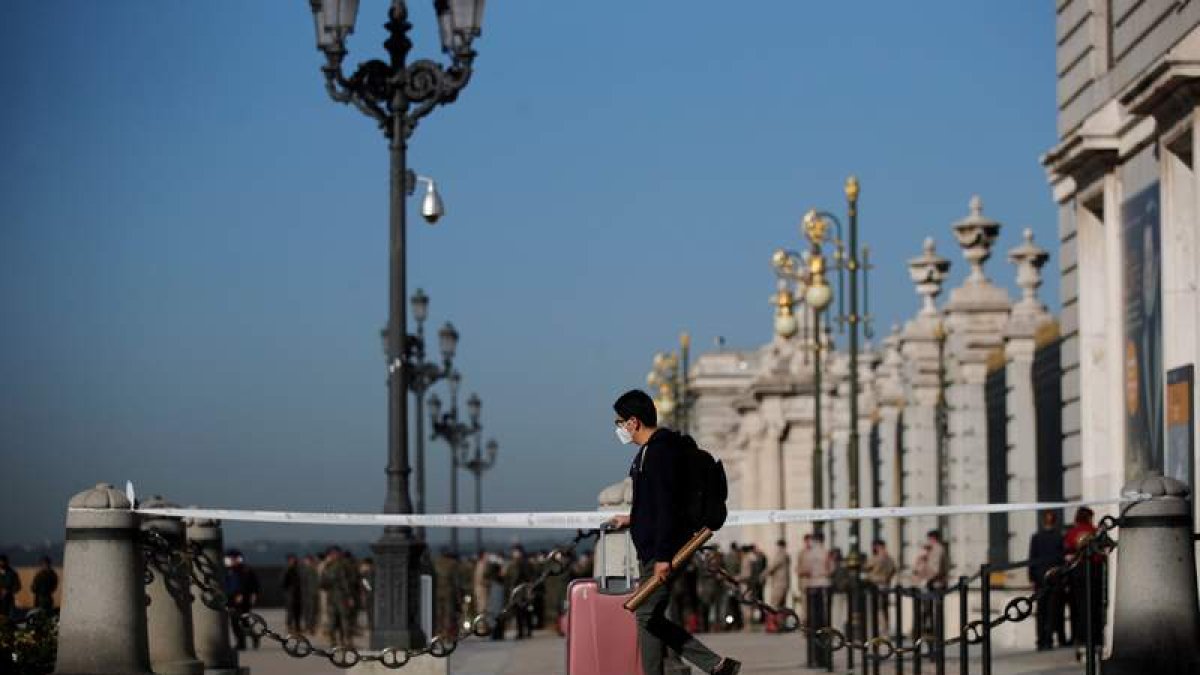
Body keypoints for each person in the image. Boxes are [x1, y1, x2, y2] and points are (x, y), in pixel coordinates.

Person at [607, 389, 741, 675]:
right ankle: (706, 665)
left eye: (619, 422)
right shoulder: (650, 452)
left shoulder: (659, 452)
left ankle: (713, 664)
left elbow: (667, 505)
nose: (618, 429)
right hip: (654, 548)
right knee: (649, 615)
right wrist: (631, 519)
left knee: (645, 614)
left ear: (633, 422)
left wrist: (663, 556)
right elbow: (655, 504)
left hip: (662, 550)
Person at [1065, 507, 1105, 660]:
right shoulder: (1095, 531)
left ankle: (1081, 640)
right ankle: (1096, 640)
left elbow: (1068, 555)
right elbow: (1102, 553)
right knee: (1095, 607)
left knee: (1080, 609)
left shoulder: (1072, 533)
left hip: (1078, 574)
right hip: (1094, 572)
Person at [1029, 511, 1067, 651]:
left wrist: (1032, 577)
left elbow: (1032, 558)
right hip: (1055, 577)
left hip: (1040, 578)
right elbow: (1061, 559)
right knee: (1052, 610)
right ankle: (1049, 639)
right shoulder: (1059, 537)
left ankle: (1040, 640)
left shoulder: (1036, 538)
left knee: (1041, 611)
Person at [799, 533, 831, 668]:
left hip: (812, 587)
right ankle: (826, 659)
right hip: (825, 586)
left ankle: (814, 659)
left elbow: (803, 570)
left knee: (813, 625)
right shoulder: (826, 552)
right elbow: (831, 569)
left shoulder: (808, 554)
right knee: (825, 624)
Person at [320, 546, 358, 648]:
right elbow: (323, 583)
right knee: (336, 620)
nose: (332, 556)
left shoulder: (339, 565)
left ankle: (343, 640)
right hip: (336, 596)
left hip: (340, 596)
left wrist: (349, 596)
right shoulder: (332, 566)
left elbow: (345, 582)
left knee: (343, 620)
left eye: (334, 554)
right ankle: (339, 641)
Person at [225, 550, 261, 650]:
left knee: (243, 621)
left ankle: (252, 637)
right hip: (230, 599)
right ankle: (241, 643)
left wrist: (251, 595)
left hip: (243, 600)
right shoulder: (227, 570)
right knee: (234, 623)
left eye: (234, 558)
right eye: (231, 559)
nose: (233, 561)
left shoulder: (246, 570)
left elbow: (253, 585)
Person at [864, 540, 896, 632]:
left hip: (876, 584)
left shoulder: (877, 558)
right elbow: (893, 570)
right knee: (884, 608)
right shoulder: (889, 558)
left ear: (877, 546)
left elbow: (867, 566)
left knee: (878, 608)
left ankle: (880, 628)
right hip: (886, 584)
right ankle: (886, 628)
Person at [504, 545, 534, 639]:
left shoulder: (525, 564)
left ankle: (528, 631)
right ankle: (520, 632)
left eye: (517, 552)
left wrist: (529, 590)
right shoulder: (511, 565)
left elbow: (529, 578)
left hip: (523, 591)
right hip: (515, 592)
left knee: (526, 612)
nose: (515, 554)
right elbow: (508, 579)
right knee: (518, 613)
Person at [282, 554, 303, 634]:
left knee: (298, 611)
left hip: (299, 593)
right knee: (291, 611)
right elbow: (283, 582)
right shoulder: (287, 570)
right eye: (292, 560)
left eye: (294, 559)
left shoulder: (298, 569)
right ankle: (289, 626)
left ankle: (297, 627)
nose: (294, 561)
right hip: (290, 594)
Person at [300, 554, 320, 634]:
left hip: (312, 594)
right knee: (308, 612)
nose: (307, 562)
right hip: (307, 594)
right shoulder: (304, 570)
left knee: (312, 611)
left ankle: (310, 627)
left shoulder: (313, 569)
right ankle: (308, 627)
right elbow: (303, 583)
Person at [0, 554, 22, 620]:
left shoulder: (12, 573)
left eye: (3, 561)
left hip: (8, 600)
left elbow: (18, 586)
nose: (2, 563)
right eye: (0, 562)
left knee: (9, 619)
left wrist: (8, 591)